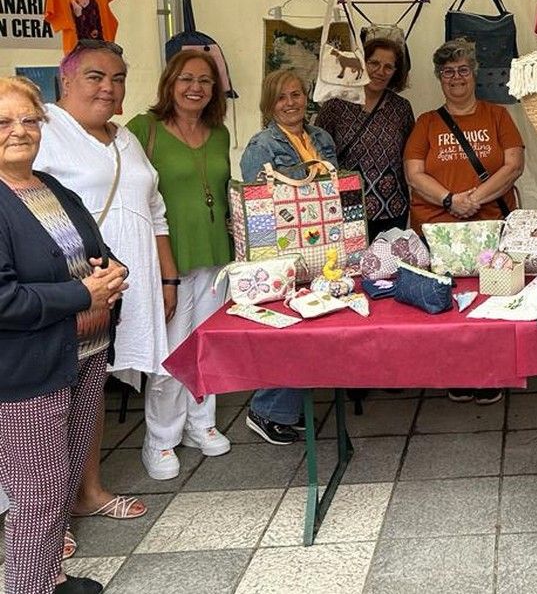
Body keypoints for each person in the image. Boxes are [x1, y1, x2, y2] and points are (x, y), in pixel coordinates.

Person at [0, 76, 128, 594]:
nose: (20, 131)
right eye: (4, 122)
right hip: (29, 369)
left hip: (84, 354)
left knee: (65, 476)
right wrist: (84, 295)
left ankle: (49, 577)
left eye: (30, 120)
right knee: (40, 492)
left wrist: (114, 272)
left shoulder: (52, 188)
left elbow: (95, 250)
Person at [36, 41, 166, 524]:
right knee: (47, 404)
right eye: (95, 76)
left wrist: (164, 277)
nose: (109, 87)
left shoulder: (124, 137)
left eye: (118, 78)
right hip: (62, 288)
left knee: (90, 390)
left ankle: (87, 490)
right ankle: (40, 517)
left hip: (113, 290)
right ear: (65, 80)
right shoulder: (44, 130)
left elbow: (155, 209)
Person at [125, 52, 233, 479]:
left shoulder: (220, 133)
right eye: (187, 79)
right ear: (170, 82)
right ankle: (161, 439)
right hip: (167, 262)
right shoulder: (142, 129)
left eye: (205, 81)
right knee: (171, 353)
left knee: (206, 349)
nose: (196, 88)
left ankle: (200, 424)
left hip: (215, 256)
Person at [404, 39, 525, 406]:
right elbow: (413, 173)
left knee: (493, 301)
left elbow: (514, 164)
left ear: (474, 74)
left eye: (462, 70)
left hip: (490, 225)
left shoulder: (497, 116)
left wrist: (474, 199)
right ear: (440, 78)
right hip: (438, 230)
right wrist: (449, 200)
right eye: (447, 72)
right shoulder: (426, 123)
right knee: (448, 304)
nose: (455, 78)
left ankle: (491, 371)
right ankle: (456, 370)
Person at [240, 69, 337, 445]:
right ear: (269, 103)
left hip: (323, 245)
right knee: (289, 329)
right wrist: (269, 262)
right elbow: (255, 207)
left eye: (296, 95)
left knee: (313, 324)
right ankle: (266, 411)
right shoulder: (261, 146)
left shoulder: (322, 138)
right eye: (282, 97)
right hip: (282, 250)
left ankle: (286, 408)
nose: (291, 103)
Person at [316, 36, 416, 238]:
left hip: (393, 208)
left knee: (388, 268)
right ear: (362, 63)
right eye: (374, 63)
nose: (380, 71)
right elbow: (317, 153)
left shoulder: (401, 108)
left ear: (396, 73)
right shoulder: (336, 104)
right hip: (345, 207)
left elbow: (410, 156)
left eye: (389, 67)